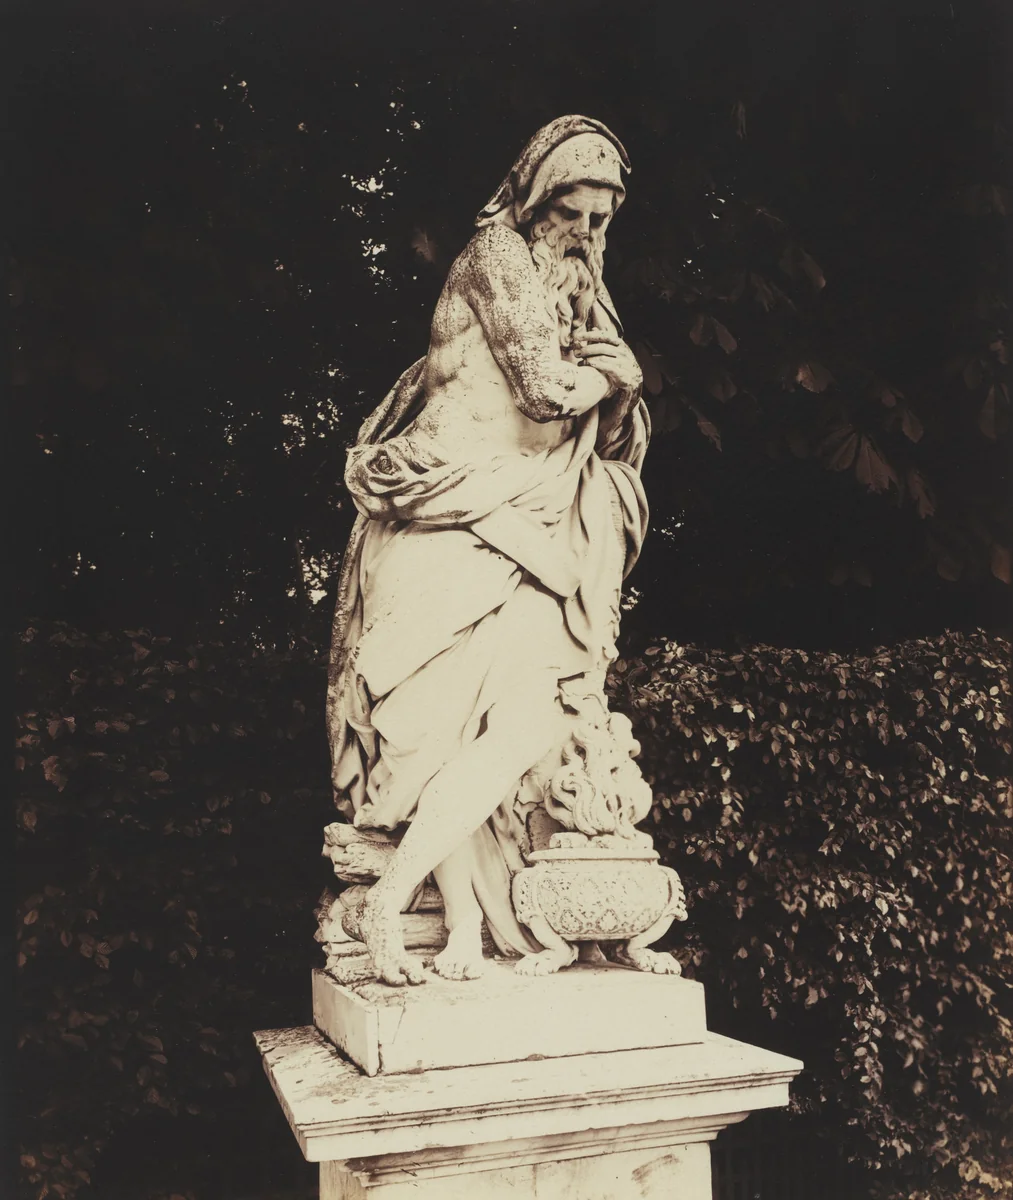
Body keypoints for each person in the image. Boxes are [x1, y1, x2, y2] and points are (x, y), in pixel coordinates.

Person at [326, 115, 650, 985]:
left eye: (602, 219)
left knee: (514, 731)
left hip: (521, 530)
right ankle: (420, 916)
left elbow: (592, 431)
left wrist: (611, 392)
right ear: (536, 198)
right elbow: (547, 395)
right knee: (435, 738)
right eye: (572, 214)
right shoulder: (497, 256)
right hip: (443, 516)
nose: (586, 234)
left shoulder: (577, 283)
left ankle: (448, 926)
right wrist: (621, 375)